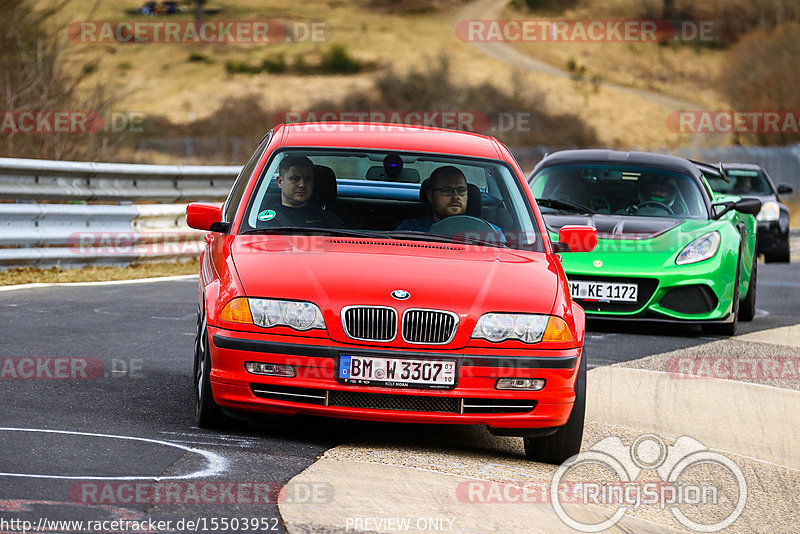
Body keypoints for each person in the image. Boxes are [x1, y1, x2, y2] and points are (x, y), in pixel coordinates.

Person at [396, 166, 503, 238]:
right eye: (447, 191)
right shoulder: (410, 230)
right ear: (430, 196)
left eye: (461, 190)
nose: (456, 196)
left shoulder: (491, 233)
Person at [258, 156, 342, 228]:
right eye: (295, 178)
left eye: (307, 179)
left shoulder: (330, 221)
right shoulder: (260, 218)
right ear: (280, 182)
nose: (302, 184)